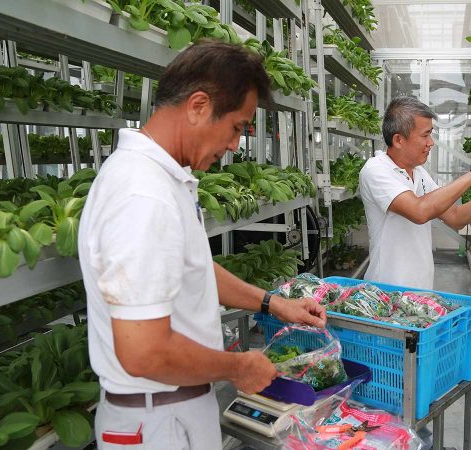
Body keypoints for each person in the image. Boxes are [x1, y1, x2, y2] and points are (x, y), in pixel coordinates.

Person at [78, 40, 327, 450]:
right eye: (235, 128)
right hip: (157, 424)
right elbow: (143, 352)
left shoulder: (163, 179)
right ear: (197, 106)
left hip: (169, 411)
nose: (234, 146)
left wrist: (273, 303)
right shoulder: (144, 196)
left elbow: (192, 268)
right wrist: (237, 366)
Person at [359, 97, 471, 290]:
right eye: (425, 135)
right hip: (386, 291)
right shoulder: (376, 170)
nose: (431, 143)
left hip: (421, 289)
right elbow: (419, 211)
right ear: (398, 140)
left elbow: (456, 217)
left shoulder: (419, 173)